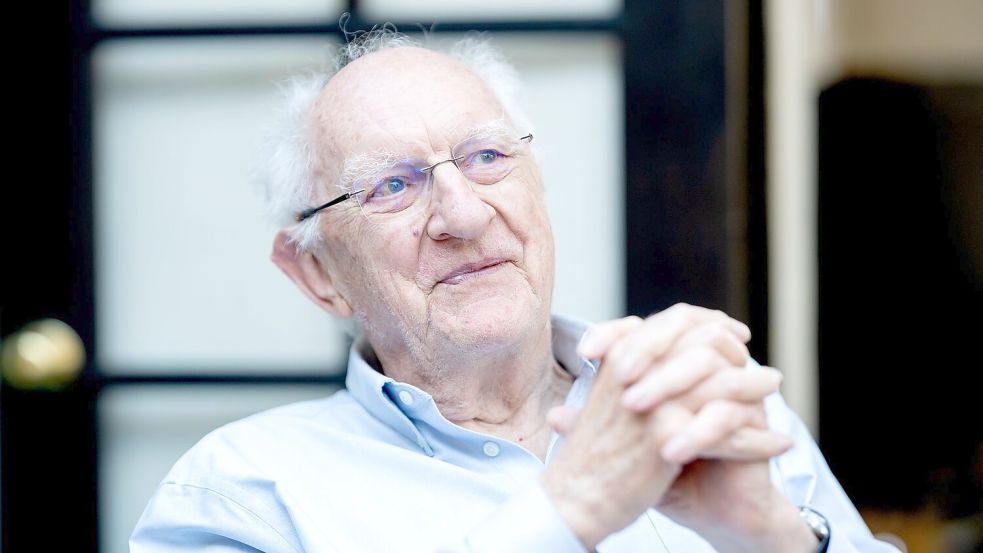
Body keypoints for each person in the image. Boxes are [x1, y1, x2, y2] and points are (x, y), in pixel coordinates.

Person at [131, 30, 900, 553]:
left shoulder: (701, 399)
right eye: (391, 186)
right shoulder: (242, 493)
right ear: (319, 274)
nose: (464, 215)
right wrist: (565, 512)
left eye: (487, 157)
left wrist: (775, 536)